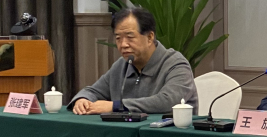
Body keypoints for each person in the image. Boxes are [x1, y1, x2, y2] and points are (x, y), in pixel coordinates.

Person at [68, 7, 198, 115]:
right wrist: (82, 100)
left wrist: (116, 106)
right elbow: (93, 91)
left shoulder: (176, 64)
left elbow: (168, 101)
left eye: (130, 37)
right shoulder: (121, 65)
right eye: (118, 38)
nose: (123, 44)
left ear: (149, 37)